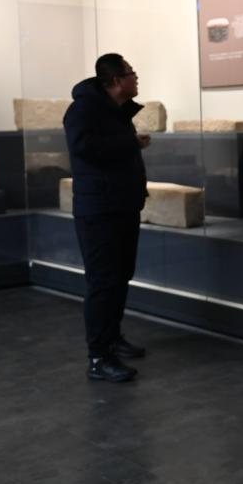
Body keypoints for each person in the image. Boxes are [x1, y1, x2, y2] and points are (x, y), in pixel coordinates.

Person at [63, 53, 151, 382]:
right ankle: (98, 357)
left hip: (122, 205)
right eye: (131, 73)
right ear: (116, 80)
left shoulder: (115, 110)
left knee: (120, 275)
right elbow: (84, 148)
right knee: (103, 281)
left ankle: (112, 337)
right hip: (99, 209)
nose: (136, 78)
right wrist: (130, 142)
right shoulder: (83, 110)